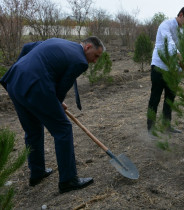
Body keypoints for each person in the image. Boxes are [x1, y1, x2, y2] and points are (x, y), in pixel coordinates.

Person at [0, 37, 105, 193]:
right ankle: (68, 180)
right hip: (36, 86)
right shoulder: (80, 60)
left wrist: (21, 69)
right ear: (88, 47)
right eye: (96, 56)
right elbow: (62, 88)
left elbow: (27, 47)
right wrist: (56, 102)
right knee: (63, 129)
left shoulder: (58, 41)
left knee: (33, 129)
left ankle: (37, 173)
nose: (95, 61)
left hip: (15, 81)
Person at [147, 6, 184, 134]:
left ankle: (166, 126)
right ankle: (151, 128)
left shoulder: (182, 32)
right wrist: (182, 60)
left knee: (170, 100)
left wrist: (181, 68)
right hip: (159, 67)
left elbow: (183, 50)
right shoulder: (165, 25)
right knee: (155, 98)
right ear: (181, 15)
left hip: (173, 70)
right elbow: (170, 45)